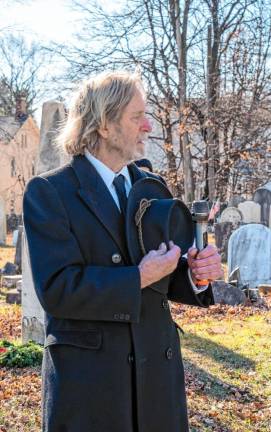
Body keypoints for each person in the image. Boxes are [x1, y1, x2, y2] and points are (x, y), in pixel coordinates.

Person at [23, 71, 222, 432]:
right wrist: (139, 276)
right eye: (136, 117)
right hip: (93, 387)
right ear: (103, 124)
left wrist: (193, 273)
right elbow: (57, 289)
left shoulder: (152, 187)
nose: (147, 126)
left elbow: (164, 274)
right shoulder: (50, 192)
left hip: (157, 381)